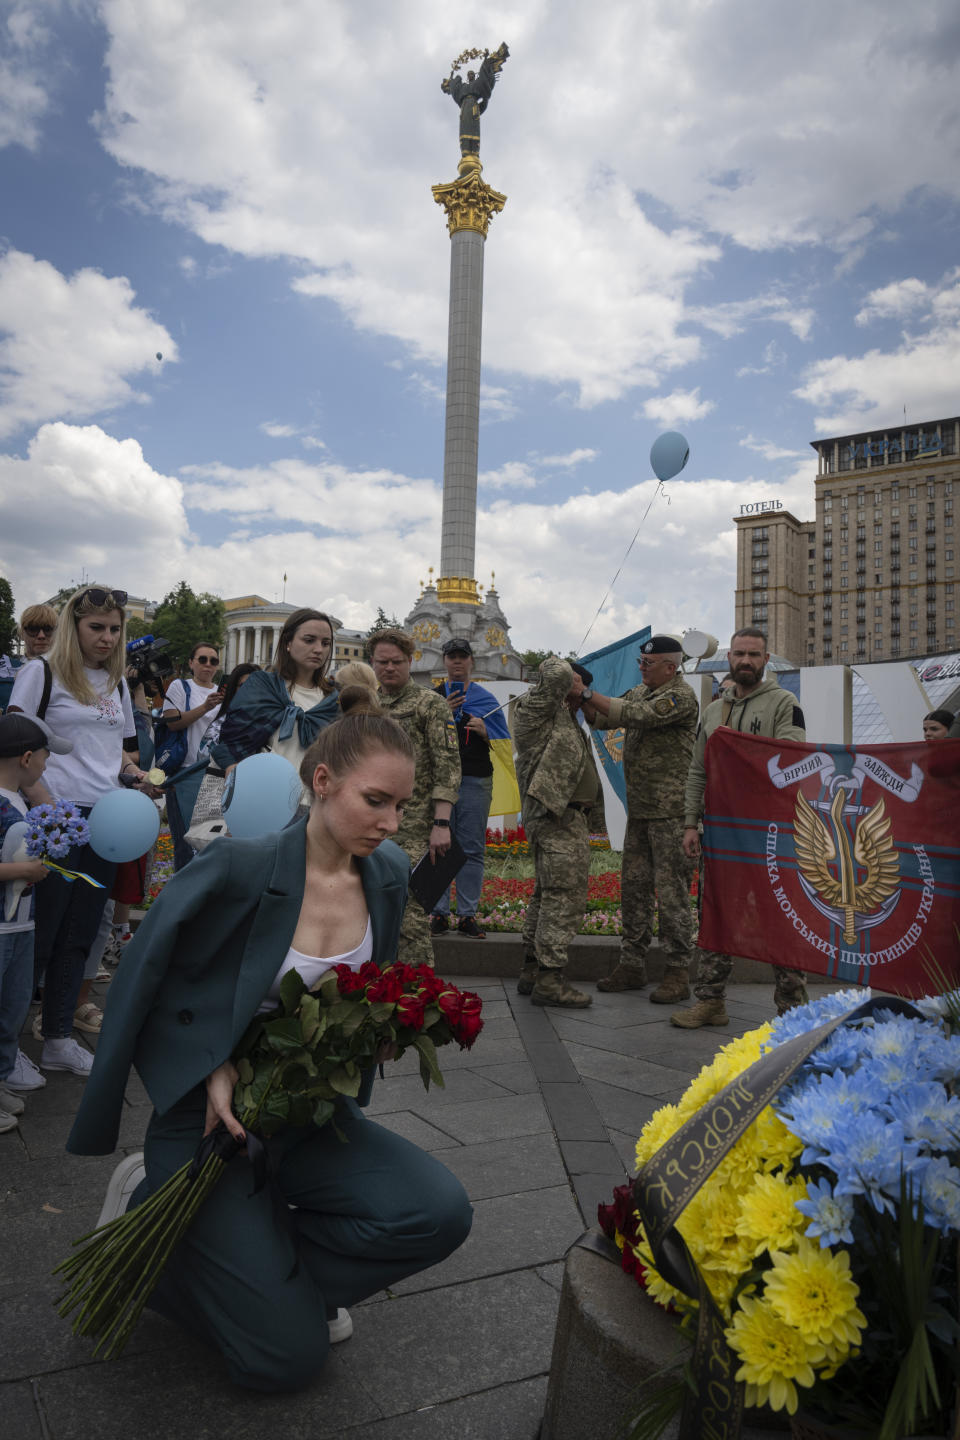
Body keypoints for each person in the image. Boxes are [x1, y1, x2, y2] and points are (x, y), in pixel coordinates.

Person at [66, 692, 473, 1391]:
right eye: (375, 800)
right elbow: (145, 977)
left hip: (311, 1118)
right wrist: (211, 1064)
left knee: (438, 1212)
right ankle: (150, 1239)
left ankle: (260, 1280)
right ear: (321, 783)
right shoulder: (239, 867)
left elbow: (362, 986)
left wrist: (386, 1025)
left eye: (401, 807)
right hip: (210, 1125)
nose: (391, 823)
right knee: (282, 1363)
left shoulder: (386, 873)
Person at [8, 584, 159, 1076]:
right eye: (97, 628)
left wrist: (133, 774)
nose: (108, 638)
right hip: (56, 817)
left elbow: (107, 750)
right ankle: (7, 1053)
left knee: (81, 935)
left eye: (115, 629)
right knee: (40, 934)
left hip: (106, 818)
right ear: (74, 627)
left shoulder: (115, 683)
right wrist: (49, 809)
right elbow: (16, 744)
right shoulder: (41, 672)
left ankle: (56, 1040)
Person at [672, 627, 807, 1029]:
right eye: (739, 654)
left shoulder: (786, 703)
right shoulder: (714, 712)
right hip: (721, 832)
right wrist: (690, 823)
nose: (745, 661)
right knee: (716, 913)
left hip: (770, 832)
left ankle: (793, 1012)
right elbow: (698, 770)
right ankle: (711, 1001)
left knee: (782, 916)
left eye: (753, 654)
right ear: (729, 657)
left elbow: (792, 758)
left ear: (766, 660)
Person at [583, 635, 699, 1001]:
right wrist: (578, 694)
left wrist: (586, 695)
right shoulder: (639, 691)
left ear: (670, 666)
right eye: (640, 663)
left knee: (672, 894)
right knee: (633, 890)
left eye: (648, 664)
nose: (641, 668)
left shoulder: (680, 696)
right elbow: (603, 719)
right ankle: (632, 964)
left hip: (671, 814)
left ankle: (677, 972)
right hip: (642, 812)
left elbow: (637, 716)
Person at [369, 629, 460, 967]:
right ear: (372, 663)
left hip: (415, 828)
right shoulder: (368, 705)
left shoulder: (430, 704)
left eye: (396, 662)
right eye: (382, 662)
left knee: (409, 914)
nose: (389, 668)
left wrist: (441, 823)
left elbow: (448, 766)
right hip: (369, 826)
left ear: (410, 662)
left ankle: (418, 992)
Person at [513, 655, 597, 1008]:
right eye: (578, 685)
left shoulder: (564, 717)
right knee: (563, 896)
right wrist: (564, 670)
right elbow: (559, 672)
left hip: (565, 818)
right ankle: (550, 979)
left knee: (547, 894)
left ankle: (533, 971)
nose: (582, 692)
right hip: (555, 819)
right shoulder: (534, 709)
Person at [0, 716, 70, 1119]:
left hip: (21, 925)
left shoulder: (18, 800)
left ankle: (3, 1076)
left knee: (12, 1010)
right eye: (45, 756)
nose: (47, 764)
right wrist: (22, 872)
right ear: (27, 758)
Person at [216, 610, 339, 788]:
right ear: (288, 643)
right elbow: (233, 738)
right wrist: (233, 766)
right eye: (309, 640)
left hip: (316, 800)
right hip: (265, 793)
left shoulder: (333, 699)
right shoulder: (263, 686)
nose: (319, 649)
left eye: (325, 643)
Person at [430, 638, 496, 939]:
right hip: (439, 781)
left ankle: (467, 915)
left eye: (463, 657)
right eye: (452, 656)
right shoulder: (432, 698)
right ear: (444, 661)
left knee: (472, 848)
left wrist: (486, 732)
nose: (457, 662)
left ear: (472, 662)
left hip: (475, 778)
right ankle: (439, 914)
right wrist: (440, 713)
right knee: (439, 846)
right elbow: (418, 738)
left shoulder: (486, 699)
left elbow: (505, 743)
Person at [159, 642, 225, 870]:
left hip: (213, 774)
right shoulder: (180, 686)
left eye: (213, 661)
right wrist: (205, 707)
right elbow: (173, 724)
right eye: (202, 659)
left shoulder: (222, 691)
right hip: (184, 773)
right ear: (191, 663)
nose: (208, 665)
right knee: (185, 844)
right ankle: (181, 900)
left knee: (209, 843)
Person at [0, 604, 58, 711]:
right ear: (22, 633)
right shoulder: (4, 668)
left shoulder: (70, 672)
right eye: (33, 629)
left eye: (48, 629)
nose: (41, 636)